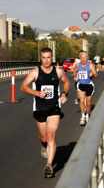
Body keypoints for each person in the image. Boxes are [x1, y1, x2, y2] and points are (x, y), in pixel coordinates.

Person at [21, 47, 70, 178]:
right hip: (40, 108)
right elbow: (24, 86)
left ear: (52, 58)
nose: (46, 60)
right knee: (44, 138)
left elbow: (66, 83)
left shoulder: (58, 71)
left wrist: (65, 93)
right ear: (40, 58)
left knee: (51, 136)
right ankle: (43, 146)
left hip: (54, 108)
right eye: (44, 57)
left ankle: (49, 165)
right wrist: (36, 92)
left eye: (49, 57)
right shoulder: (35, 72)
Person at [72, 50, 97, 126]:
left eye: (85, 57)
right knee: (82, 101)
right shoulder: (78, 65)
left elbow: (96, 75)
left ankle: (87, 115)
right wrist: (75, 77)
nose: (83, 59)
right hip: (81, 85)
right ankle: (83, 117)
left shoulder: (90, 65)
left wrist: (92, 74)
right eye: (82, 57)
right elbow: (74, 71)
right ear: (80, 58)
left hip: (89, 85)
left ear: (87, 58)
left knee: (88, 104)